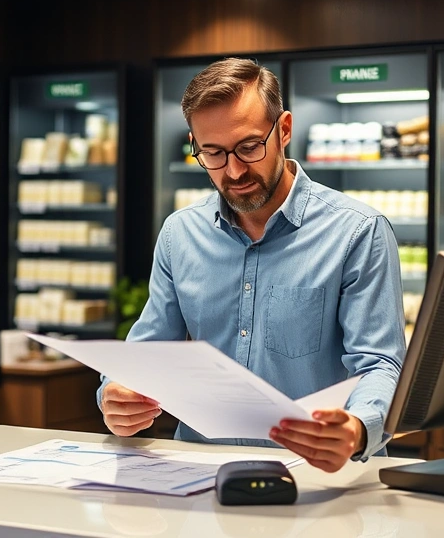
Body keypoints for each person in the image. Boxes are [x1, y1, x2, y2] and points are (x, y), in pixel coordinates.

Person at [97, 57, 406, 472]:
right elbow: (147, 354)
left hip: (320, 477)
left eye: (248, 147)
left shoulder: (358, 231)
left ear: (283, 130)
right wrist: (116, 394)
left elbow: (380, 363)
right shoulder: (179, 234)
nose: (234, 170)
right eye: (213, 153)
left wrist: (357, 428)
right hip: (203, 476)